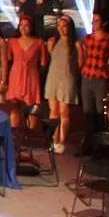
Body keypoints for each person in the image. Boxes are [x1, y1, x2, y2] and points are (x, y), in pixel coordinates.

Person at [44, 14, 81, 151]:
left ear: (69, 27)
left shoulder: (75, 44)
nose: (61, 29)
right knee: (53, 111)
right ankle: (54, 139)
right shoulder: (54, 41)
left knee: (64, 112)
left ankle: (63, 141)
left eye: (64, 26)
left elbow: (80, 64)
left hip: (66, 79)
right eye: (59, 26)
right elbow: (51, 59)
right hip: (53, 78)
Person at [5, 17, 47, 131]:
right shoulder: (12, 42)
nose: (23, 28)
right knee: (14, 109)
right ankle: (15, 137)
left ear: (32, 27)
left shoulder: (39, 43)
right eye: (21, 25)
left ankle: (30, 138)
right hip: (16, 77)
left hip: (32, 78)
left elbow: (43, 63)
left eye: (26, 25)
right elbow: (8, 60)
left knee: (32, 111)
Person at [77, 13, 109, 137]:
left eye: (97, 21)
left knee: (99, 111)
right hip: (87, 77)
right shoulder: (87, 39)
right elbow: (84, 57)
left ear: (104, 23)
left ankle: (99, 144)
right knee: (87, 112)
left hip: (101, 79)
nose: (94, 23)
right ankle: (88, 142)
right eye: (93, 21)